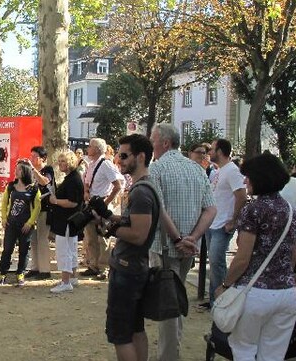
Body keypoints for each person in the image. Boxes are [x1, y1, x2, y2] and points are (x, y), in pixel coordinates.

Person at [218, 153, 296, 361]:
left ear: (260, 178)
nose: (245, 181)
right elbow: (292, 255)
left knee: (243, 348)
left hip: (255, 293)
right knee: (273, 354)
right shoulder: (293, 212)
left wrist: (226, 284)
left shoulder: (253, 210)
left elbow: (242, 258)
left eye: (248, 177)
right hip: (286, 293)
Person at [147, 124, 216, 361]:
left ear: (165, 143)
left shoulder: (156, 170)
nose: (151, 144)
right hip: (187, 246)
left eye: (153, 140)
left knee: (168, 306)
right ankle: (170, 350)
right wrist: (194, 237)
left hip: (167, 247)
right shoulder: (197, 169)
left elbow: (160, 210)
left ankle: (168, 356)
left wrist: (179, 239)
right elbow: (211, 208)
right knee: (175, 301)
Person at [93, 134, 160, 361]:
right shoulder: (145, 186)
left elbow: (139, 235)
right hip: (134, 267)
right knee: (135, 328)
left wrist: (108, 229)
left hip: (128, 269)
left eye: (123, 155)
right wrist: (110, 217)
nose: (118, 160)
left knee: (119, 333)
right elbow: (136, 223)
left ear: (140, 157)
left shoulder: (141, 192)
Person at [206, 138, 247, 307]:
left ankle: (220, 301)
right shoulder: (219, 170)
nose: (209, 152)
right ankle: (213, 299)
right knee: (214, 264)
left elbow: (241, 195)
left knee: (217, 263)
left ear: (220, 151)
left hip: (222, 225)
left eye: (212, 149)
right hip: (213, 223)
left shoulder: (232, 171)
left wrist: (233, 220)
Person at [81, 138, 124, 280]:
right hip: (91, 204)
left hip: (102, 203)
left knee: (103, 238)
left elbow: (117, 185)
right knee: (90, 237)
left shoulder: (106, 164)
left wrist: (106, 203)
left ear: (98, 149)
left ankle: (104, 268)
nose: (88, 148)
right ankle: (93, 265)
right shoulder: (91, 164)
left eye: (91, 146)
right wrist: (86, 191)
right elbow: (87, 182)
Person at [0, 160, 41, 287]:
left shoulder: (33, 189)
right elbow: (4, 203)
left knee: (24, 250)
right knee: (7, 249)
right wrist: (4, 219)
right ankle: (2, 273)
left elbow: (37, 207)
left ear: (25, 171)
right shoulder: (10, 186)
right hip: (11, 224)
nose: (16, 171)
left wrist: (30, 223)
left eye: (19, 169)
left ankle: (20, 273)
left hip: (26, 226)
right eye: (16, 168)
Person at [48, 151, 84, 293]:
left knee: (64, 250)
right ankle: (72, 277)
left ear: (70, 163)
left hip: (67, 221)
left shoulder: (73, 179)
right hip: (69, 221)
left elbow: (72, 202)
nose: (60, 164)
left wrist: (55, 201)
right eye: (60, 161)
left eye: (63, 161)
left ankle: (66, 281)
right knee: (71, 249)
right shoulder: (72, 178)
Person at [24, 146, 55, 280]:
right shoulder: (32, 172)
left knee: (42, 239)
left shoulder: (48, 170)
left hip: (45, 209)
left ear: (42, 158)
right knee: (34, 240)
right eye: (30, 156)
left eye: (34, 156)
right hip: (33, 209)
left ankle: (45, 270)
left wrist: (32, 169)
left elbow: (45, 181)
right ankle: (35, 267)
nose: (31, 159)